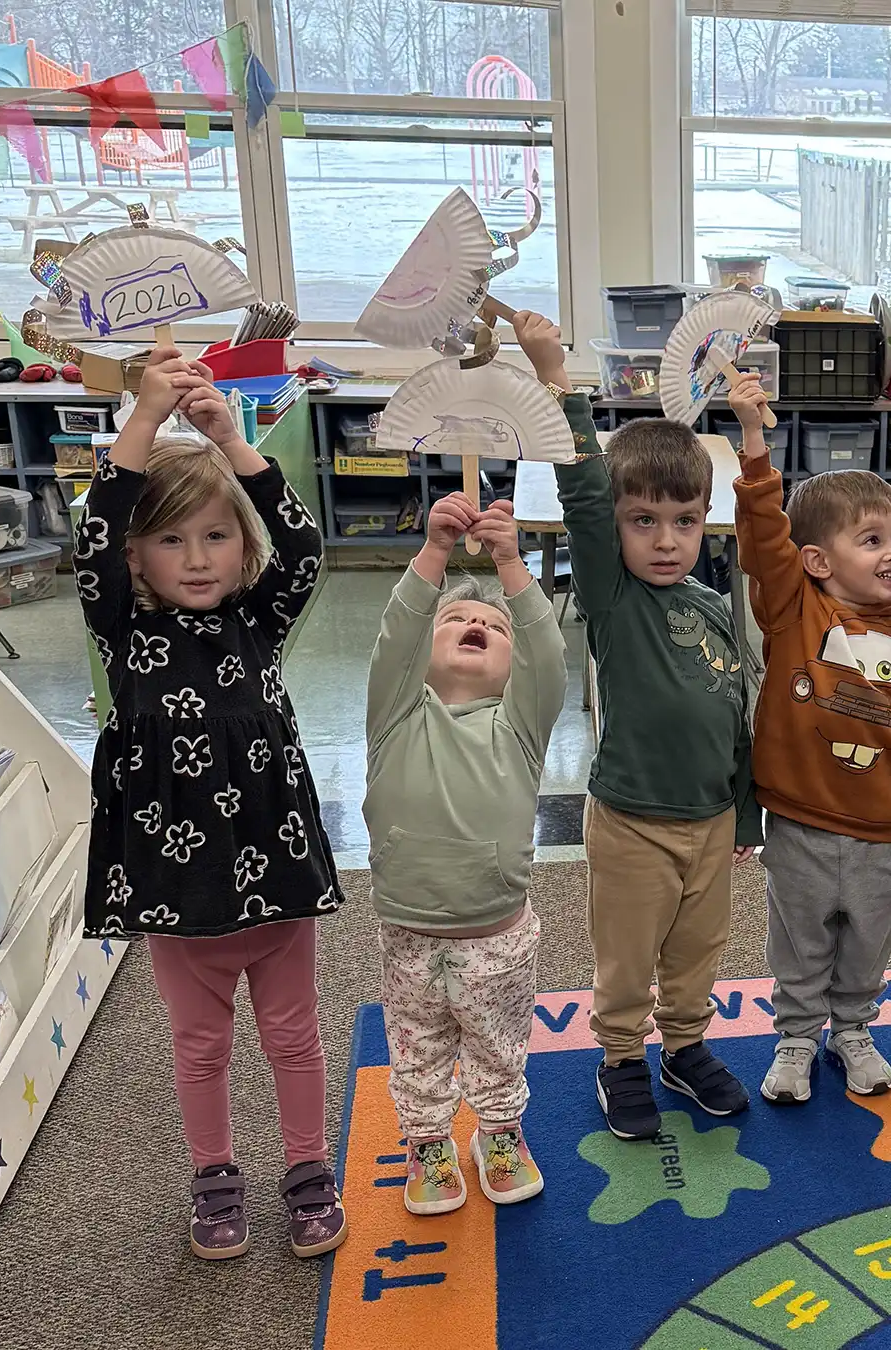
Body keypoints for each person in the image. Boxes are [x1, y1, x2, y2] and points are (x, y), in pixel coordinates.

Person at [73, 345, 347, 1260]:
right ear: (136, 556)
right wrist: (143, 424)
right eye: (170, 540)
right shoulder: (124, 627)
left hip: (272, 869)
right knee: (199, 1048)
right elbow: (91, 535)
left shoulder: (256, 618)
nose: (196, 559)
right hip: (172, 884)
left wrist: (232, 441)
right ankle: (215, 1173)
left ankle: (308, 1168)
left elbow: (304, 546)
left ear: (242, 547)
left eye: (216, 537)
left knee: (294, 1036)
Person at [525, 313, 762, 1140]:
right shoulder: (614, 600)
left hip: (712, 821)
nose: (667, 542)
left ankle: (684, 1047)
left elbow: (739, 714)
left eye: (686, 522)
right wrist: (561, 384)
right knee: (628, 960)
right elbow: (586, 497)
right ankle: (622, 1056)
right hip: (631, 824)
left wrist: (747, 812)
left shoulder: (710, 603)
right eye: (643, 522)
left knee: (699, 954)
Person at [727, 371, 891, 1105]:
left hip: (881, 828)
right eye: (870, 540)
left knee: (868, 941)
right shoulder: (793, 612)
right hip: (802, 824)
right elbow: (763, 538)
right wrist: (753, 442)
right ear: (817, 561)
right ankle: (797, 1037)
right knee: (800, 941)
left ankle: (854, 1030)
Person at [364, 488, 568, 1214]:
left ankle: (500, 1133)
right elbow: (396, 635)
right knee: (416, 1047)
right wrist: (435, 554)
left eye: (492, 626)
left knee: (498, 1044)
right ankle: (428, 1143)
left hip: (498, 934)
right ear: (427, 649)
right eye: (457, 618)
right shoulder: (394, 714)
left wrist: (511, 564)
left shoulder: (520, 727)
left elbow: (547, 652)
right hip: (409, 930)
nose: (477, 624)